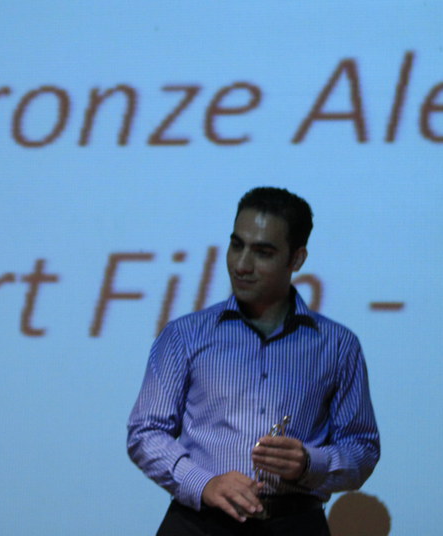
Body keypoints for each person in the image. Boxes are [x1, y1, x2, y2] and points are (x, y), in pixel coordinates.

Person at [127, 187, 379, 535]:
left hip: (295, 524)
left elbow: (362, 449)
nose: (242, 265)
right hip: (198, 523)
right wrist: (204, 483)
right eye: (236, 246)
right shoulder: (185, 335)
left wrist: (310, 463)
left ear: (296, 260)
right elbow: (145, 432)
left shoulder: (337, 345)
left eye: (263, 253)